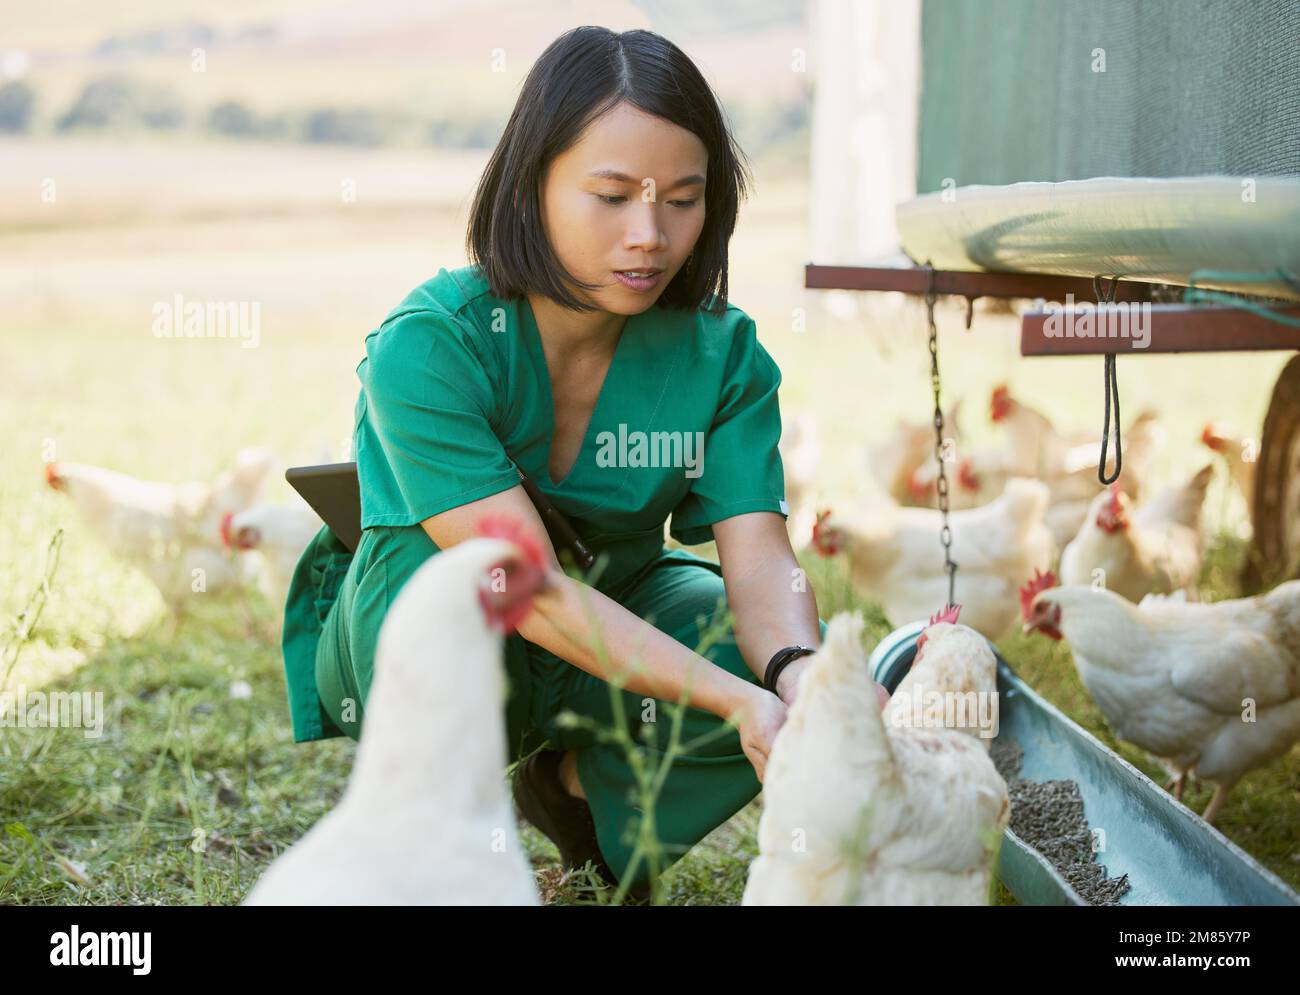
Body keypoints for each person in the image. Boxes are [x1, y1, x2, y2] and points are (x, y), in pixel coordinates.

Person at [280, 25, 879, 901]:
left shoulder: (721, 355)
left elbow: (760, 559)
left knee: (751, 651)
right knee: (448, 570)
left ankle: (574, 797)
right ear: (533, 188)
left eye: (683, 199)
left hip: (616, 611)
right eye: (610, 196)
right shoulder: (432, 345)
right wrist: (731, 700)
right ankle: (447, 817)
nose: (650, 235)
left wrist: (794, 673)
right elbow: (529, 588)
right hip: (450, 625)